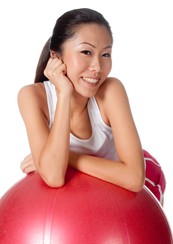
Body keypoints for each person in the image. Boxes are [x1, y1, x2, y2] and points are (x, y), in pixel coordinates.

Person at [18, 8, 165, 203]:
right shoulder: (31, 96)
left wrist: (67, 157)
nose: (97, 67)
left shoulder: (111, 90)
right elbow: (53, 176)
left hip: (145, 178)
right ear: (56, 56)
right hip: (90, 195)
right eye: (86, 52)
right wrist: (64, 93)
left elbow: (134, 178)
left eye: (105, 55)